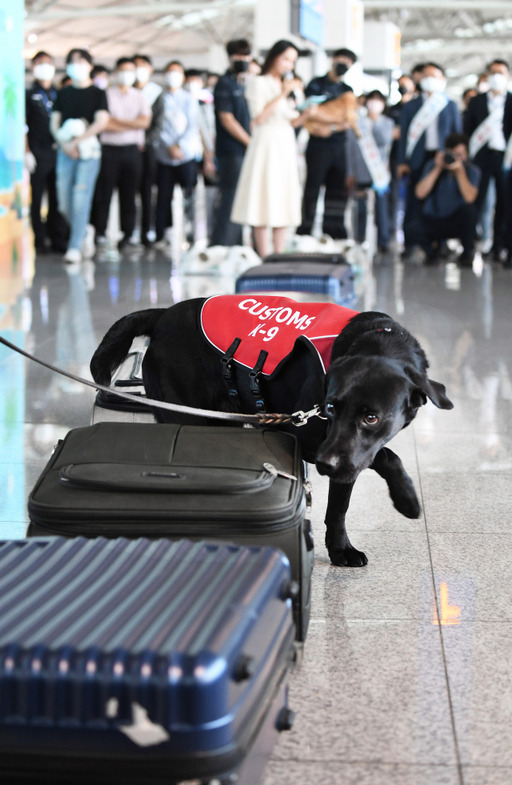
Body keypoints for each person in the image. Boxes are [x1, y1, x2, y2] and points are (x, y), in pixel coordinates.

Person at [231, 39, 312, 258]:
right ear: (274, 57)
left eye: (292, 61)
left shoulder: (291, 86)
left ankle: (278, 253)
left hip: (285, 143)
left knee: (282, 197)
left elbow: (293, 120)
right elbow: (258, 117)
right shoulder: (260, 83)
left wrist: (307, 112)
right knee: (263, 195)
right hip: (266, 144)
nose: (289, 65)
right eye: (285, 59)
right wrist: (282, 94)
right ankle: (264, 255)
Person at [50, 48, 109, 264]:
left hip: (88, 153)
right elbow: (54, 122)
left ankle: (74, 247)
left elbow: (101, 122)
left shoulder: (97, 93)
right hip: (65, 152)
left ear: (90, 66)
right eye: (72, 62)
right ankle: (83, 230)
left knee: (80, 199)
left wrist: (78, 140)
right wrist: (64, 143)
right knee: (64, 203)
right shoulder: (64, 93)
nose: (77, 66)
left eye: (81, 62)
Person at [397, 62, 462, 259]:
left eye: (434, 76)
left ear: (442, 80)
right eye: (426, 76)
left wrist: (455, 159)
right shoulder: (411, 105)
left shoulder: (449, 105)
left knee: (439, 201)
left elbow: (456, 136)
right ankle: (410, 242)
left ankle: (438, 243)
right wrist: (402, 161)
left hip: (441, 158)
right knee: (413, 201)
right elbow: (404, 136)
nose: (429, 80)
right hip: (418, 158)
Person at [91, 57, 152, 251]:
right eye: (123, 70)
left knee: (129, 194)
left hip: (132, 151)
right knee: (104, 193)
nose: (126, 75)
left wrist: (118, 123)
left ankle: (127, 234)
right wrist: (131, 123)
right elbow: (105, 123)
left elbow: (145, 122)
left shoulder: (140, 96)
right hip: (109, 150)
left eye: (130, 70)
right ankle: (99, 233)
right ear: (116, 73)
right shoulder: (106, 95)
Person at [296, 47, 357, 239]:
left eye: (348, 63)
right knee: (312, 187)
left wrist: (329, 124)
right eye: (341, 60)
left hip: (338, 146)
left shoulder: (348, 91)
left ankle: (333, 230)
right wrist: (333, 117)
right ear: (333, 59)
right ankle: (305, 229)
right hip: (317, 146)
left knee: (337, 189)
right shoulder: (316, 84)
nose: (343, 64)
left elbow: (349, 120)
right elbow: (310, 112)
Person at [463, 59, 512, 263]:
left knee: (506, 204)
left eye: (500, 72)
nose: (496, 76)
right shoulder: (477, 101)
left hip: (505, 159)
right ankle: (468, 248)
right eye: (492, 72)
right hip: (481, 159)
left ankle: (502, 248)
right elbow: (467, 131)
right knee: (475, 202)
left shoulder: (511, 101)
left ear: (508, 76)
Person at [154, 60, 201, 247]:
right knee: (163, 197)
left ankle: (192, 234)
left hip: (185, 156)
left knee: (190, 196)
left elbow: (192, 126)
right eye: (169, 72)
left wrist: (180, 147)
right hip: (164, 156)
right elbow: (157, 126)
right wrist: (169, 146)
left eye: (177, 72)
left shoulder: (188, 99)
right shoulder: (159, 99)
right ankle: (162, 233)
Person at [209, 39, 252, 247]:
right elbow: (227, 119)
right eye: (238, 56)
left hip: (244, 151)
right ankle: (221, 246)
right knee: (230, 199)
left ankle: (235, 245)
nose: (242, 60)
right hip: (231, 152)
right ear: (229, 57)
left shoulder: (242, 84)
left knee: (241, 200)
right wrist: (249, 141)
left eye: (246, 56)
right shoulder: (224, 84)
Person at [414, 133, 480, 266]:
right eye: (453, 154)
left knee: (470, 211)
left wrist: (460, 172)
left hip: (457, 220)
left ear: (467, 155)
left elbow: (470, 198)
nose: (456, 158)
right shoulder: (433, 165)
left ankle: (467, 254)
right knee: (413, 227)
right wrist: (438, 168)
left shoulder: (472, 170)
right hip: (435, 217)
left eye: (460, 154)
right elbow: (420, 193)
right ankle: (432, 253)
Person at [25, 50, 67, 254]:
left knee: (56, 198)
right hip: (37, 152)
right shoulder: (29, 94)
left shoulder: (58, 94)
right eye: (40, 63)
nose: (45, 67)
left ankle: (57, 238)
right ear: (33, 67)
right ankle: (39, 240)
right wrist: (27, 151)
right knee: (37, 199)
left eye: (48, 63)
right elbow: (21, 125)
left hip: (58, 152)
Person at [346, 91, 394, 253]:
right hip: (360, 170)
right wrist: (350, 171)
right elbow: (350, 147)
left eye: (378, 101)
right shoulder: (357, 122)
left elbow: (384, 141)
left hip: (379, 171)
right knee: (360, 206)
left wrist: (376, 121)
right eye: (371, 100)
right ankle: (359, 240)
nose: (374, 104)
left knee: (381, 208)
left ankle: (383, 241)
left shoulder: (387, 122)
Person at [133, 54, 164, 247]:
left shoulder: (155, 93)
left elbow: (158, 122)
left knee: (147, 191)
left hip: (148, 148)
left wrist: (146, 140)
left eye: (143, 66)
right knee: (128, 193)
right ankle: (128, 232)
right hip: (127, 146)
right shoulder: (124, 91)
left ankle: (147, 231)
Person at [387, 74, 416, 240]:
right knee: (394, 195)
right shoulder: (393, 109)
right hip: (394, 157)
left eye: (405, 84)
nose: (402, 87)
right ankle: (393, 229)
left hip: (413, 158)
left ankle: (413, 232)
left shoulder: (418, 107)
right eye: (400, 84)